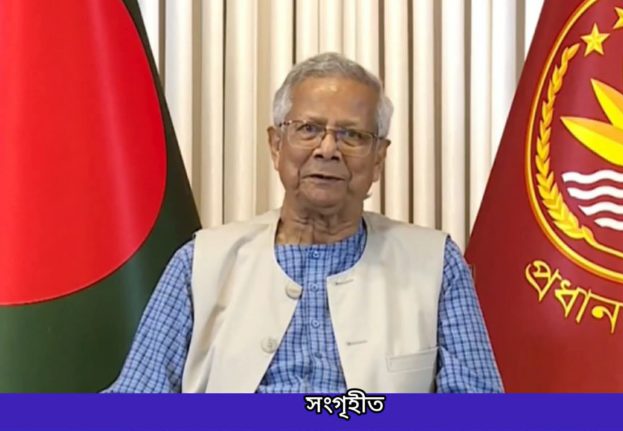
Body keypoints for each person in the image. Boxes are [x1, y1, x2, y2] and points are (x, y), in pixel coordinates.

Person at [105, 52, 502, 393]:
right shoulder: (200, 263)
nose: (328, 149)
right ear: (276, 145)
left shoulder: (436, 265)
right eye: (309, 129)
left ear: (378, 158)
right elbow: (135, 403)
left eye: (352, 135)